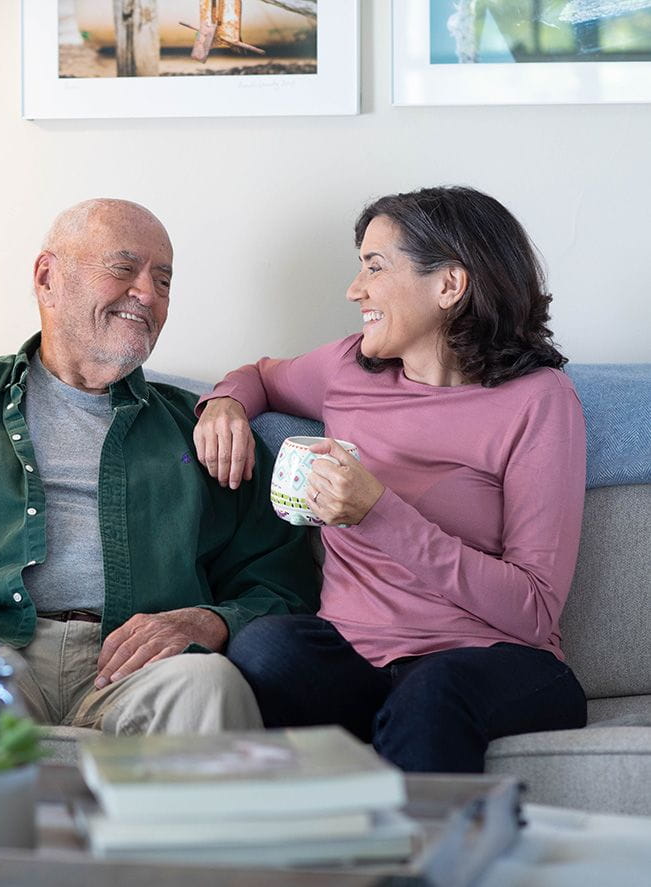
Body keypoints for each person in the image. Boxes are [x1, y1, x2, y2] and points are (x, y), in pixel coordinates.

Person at [0, 198, 320, 763]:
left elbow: (281, 585)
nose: (148, 294)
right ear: (47, 277)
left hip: (140, 669)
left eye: (163, 281)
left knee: (211, 686)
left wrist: (210, 620)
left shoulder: (202, 428)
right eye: (124, 268)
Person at [193, 186, 588, 773]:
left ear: (449, 285)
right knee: (267, 647)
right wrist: (223, 404)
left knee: (432, 692)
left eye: (374, 267)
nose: (355, 290)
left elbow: (533, 609)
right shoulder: (348, 369)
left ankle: (414, 859)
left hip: (490, 661)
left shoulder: (538, 401)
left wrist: (380, 513)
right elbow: (259, 376)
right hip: (356, 665)